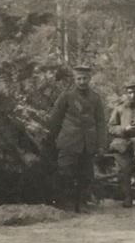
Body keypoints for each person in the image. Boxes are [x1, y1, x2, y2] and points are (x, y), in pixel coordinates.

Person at [45, 63, 106, 212]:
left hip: (88, 142)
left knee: (85, 175)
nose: (82, 82)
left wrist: (101, 145)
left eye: (85, 78)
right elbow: (56, 118)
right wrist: (51, 138)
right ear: (74, 79)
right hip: (69, 140)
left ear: (90, 78)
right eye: (79, 79)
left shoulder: (96, 98)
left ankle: (82, 203)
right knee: (65, 172)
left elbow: (100, 122)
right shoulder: (66, 96)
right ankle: (66, 203)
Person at [107, 82, 135, 208]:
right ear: (126, 94)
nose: (133, 95)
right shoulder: (119, 108)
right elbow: (111, 127)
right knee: (123, 170)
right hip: (122, 143)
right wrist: (123, 129)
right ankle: (127, 197)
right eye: (130, 92)